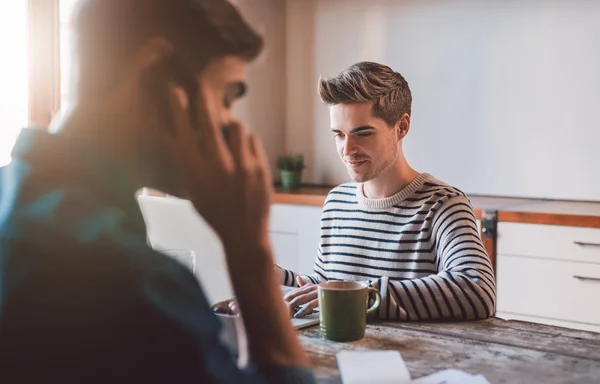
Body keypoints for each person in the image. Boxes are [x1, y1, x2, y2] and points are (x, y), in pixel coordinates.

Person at [0, 0, 314, 383]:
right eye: (227, 99)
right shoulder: (134, 283)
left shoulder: (14, 199)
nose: (230, 126)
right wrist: (251, 253)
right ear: (161, 77)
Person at [279, 62, 496, 321]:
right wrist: (280, 279)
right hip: (340, 357)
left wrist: (363, 296)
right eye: (339, 135)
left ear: (402, 127)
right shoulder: (337, 202)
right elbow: (327, 285)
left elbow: (477, 290)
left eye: (363, 133)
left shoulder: (444, 205)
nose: (347, 150)